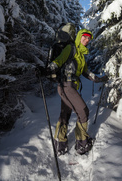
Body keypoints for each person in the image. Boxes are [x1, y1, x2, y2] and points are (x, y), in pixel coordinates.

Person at [47, 28, 108, 156]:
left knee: (65, 113)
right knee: (83, 111)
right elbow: (59, 61)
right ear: (79, 36)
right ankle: (82, 143)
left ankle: (60, 143)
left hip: (71, 86)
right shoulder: (71, 48)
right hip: (66, 85)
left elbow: (86, 72)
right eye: (84, 37)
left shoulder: (81, 55)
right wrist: (47, 69)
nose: (86, 40)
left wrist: (99, 78)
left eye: (88, 39)